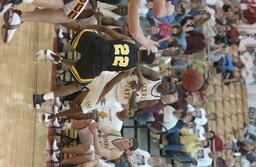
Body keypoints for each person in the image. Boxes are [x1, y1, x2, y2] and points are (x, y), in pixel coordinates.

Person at [33, 24, 156, 109]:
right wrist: (102, 94)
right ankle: (42, 98)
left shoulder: (130, 41)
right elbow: (110, 84)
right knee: (77, 86)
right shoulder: (129, 70)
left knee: (79, 27)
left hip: (96, 46)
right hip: (96, 64)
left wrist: (88, 28)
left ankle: (52, 16)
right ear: (143, 63)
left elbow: (104, 28)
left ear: (144, 49)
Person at [50, 119, 138, 166]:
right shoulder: (118, 134)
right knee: (91, 121)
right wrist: (97, 125)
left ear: (127, 149)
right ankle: (64, 126)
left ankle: (61, 153)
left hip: (92, 153)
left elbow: (99, 151)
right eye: (129, 139)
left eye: (129, 143)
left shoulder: (117, 153)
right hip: (90, 139)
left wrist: (95, 133)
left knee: (91, 148)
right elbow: (105, 128)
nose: (127, 141)